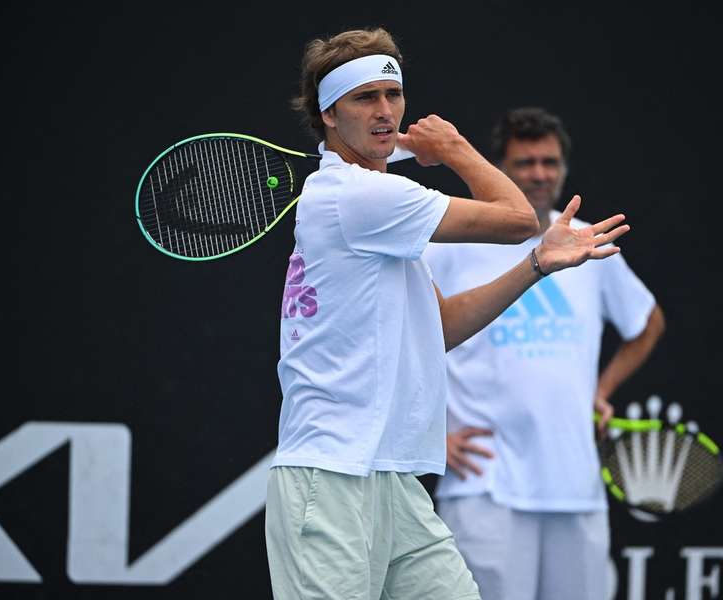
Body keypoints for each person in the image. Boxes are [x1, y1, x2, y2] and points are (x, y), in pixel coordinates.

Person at [266, 30, 630, 600]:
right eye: (365, 98)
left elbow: (438, 328)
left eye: (393, 94)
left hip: (392, 479)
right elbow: (517, 217)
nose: (385, 110)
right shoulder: (358, 198)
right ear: (329, 115)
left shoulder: (381, 209)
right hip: (329, 477)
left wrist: (535, 265)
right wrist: (452, 147)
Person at [424, 107, 666, 600]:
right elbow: (405, 342)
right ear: (501, 169)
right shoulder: (451, 240)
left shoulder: (589, 244)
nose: (539, 173)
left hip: (575, 483)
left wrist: (601, 391)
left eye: (549, 162)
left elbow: (648, 323)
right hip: (484, 487)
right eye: (525, 163)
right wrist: (429, 433)